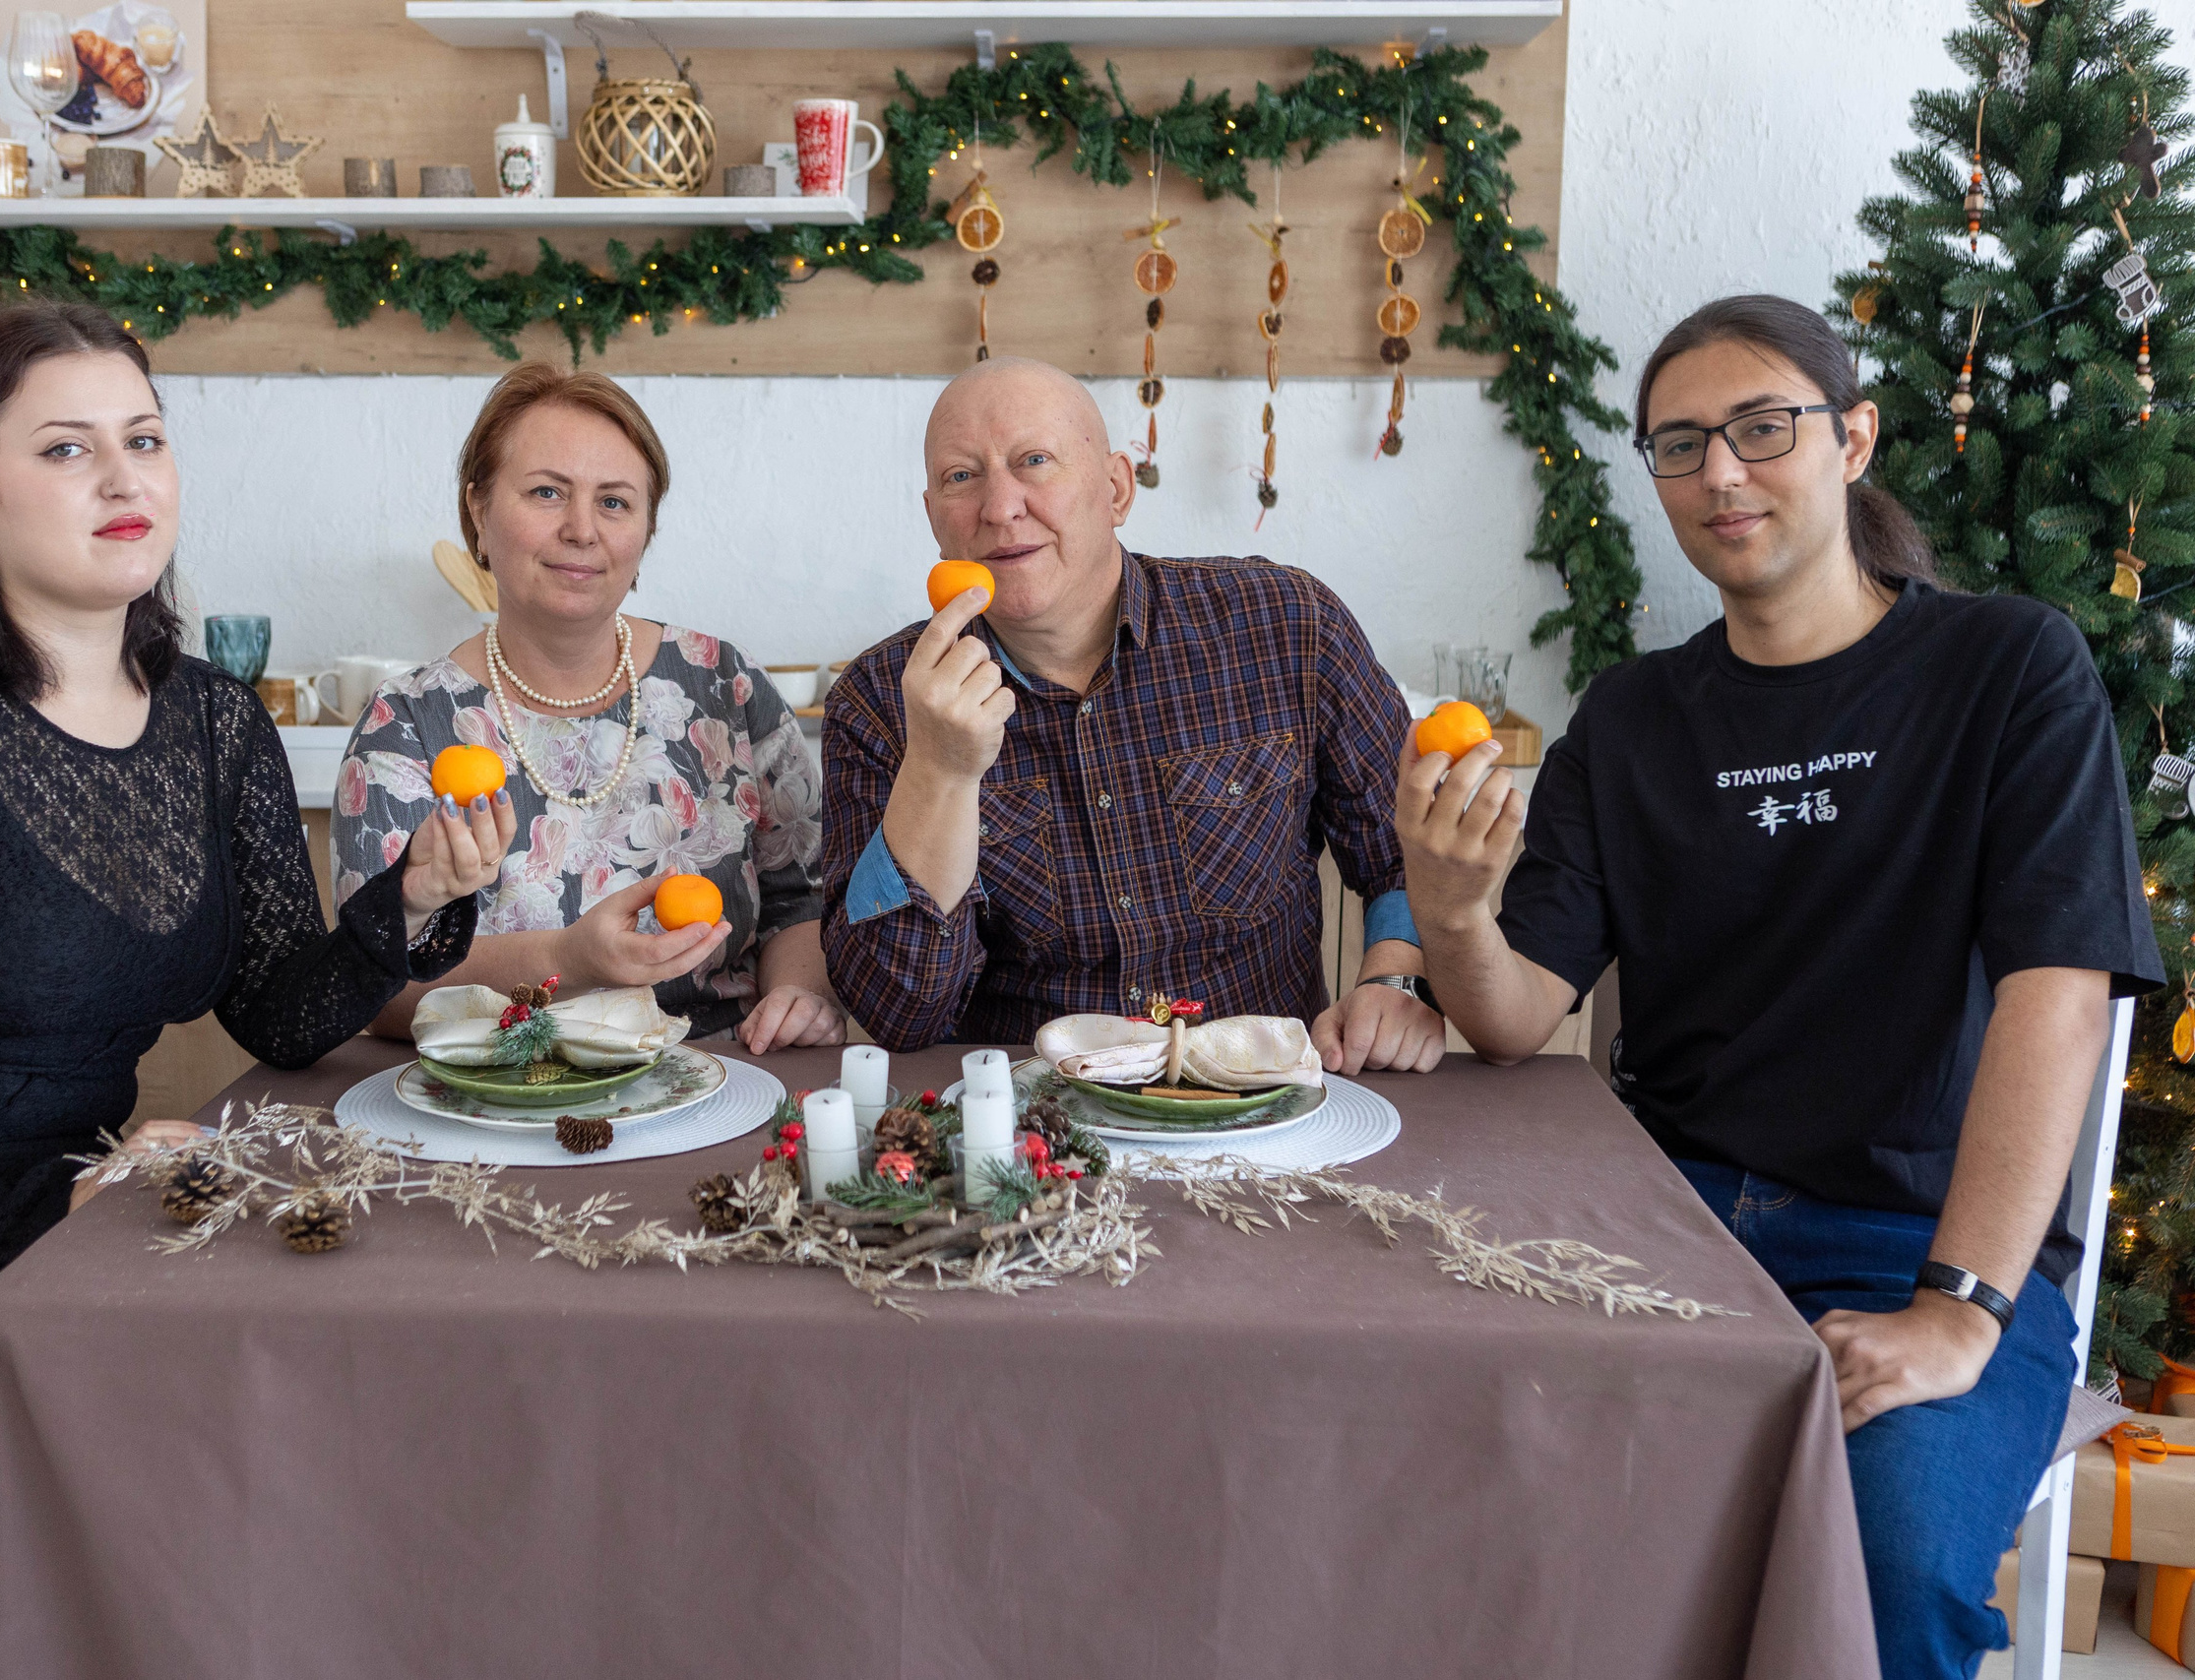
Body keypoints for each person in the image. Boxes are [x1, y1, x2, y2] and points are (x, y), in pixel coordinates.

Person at [0, 302, 513, 1581]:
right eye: (66, 449)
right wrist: (31, 1208)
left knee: (331, 1398)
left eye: (146, 437)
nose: (125, 476)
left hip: (78, 1215)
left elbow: (281, 1011)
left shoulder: (212, 721)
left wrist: (405, 904)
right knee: (170, 1485)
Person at [1397, 294, 2162, 1678]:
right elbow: (1514, 1013)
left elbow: (2061, 987)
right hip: (1662, 1223)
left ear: (1854, 437)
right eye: (1680, 445)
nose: (1721, 474)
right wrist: (1452, 912)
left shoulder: (2006, 667)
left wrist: (1961, 1307)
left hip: (1922, 1235)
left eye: (1763, 427)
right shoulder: (1629, 720)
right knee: (1476, 1497)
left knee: (1892, 1569)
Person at [818, 355, 1443, 1064]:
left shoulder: (1287, 625)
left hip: (1263, 1109)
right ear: (935, 519)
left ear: (1116, 489)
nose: (999, 506)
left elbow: (1405, 850)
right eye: (962, 477)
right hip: (1035, 1138)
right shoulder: (876, 704)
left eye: (1034, 461)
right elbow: (899, 1012)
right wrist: (939, 769)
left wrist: (1395, 977)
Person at [336, 364, 840, 1053]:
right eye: (547, 492)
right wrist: (570, 960)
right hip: (496, 1100)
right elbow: (379, 987)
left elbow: (799, 896)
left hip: (723, 1081)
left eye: (614, 502)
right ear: (478, 512)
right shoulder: (405, 727)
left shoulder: (726, 687)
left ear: (645, 533)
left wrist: (795, 996)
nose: (582, 529)